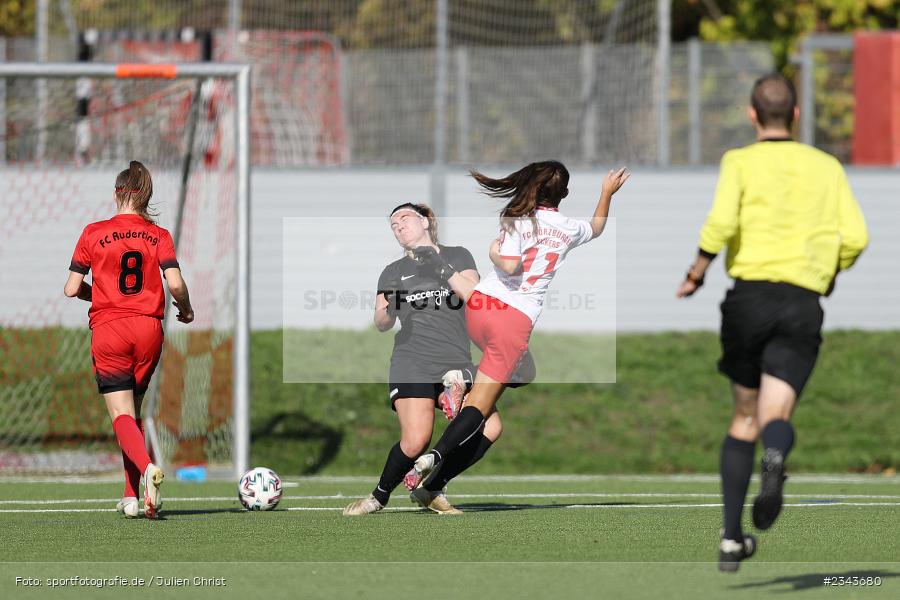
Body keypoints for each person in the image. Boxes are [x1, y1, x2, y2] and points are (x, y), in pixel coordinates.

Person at [675, 74, 868, 572]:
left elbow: (721, 223)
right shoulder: (827, 166)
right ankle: (776, 456)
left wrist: (696, 272)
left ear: (752, 114)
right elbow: (856, 237)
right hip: (801, 300)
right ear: (797, 115)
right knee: (776, 415)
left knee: (743, 418)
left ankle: (732, 539)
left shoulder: (738, 160)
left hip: (749, 299)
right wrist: (825, 274)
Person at [412, 161, 628, 486]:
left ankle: (466, 380)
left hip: (479, 309)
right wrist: (606, 192)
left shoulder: (517, 218)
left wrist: (492, 251)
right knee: (481, 407)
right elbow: (596, 227)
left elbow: (507, 263)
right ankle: (435, 455)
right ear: (564, 194)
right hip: (512, 320)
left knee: (523, 371)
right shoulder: (568, 227)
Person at [342, 203, 504, 516]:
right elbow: (380, 322)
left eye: (404, 218)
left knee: (492, 427)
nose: (398, 225)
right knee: (416, 440)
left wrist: (441, 266)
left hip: (455, 359)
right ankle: (378, 497)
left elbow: (474, 296)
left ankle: (432, 486)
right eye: (392, 223)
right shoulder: (392, 272)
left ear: (426, 222)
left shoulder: (458, 255)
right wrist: (390, 309)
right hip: (412, 360)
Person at [64, 161, 195, 519]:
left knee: (121, 415)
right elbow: (176, 283)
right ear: (147, 196)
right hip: (149, 329)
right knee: (133, 413)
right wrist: (185, 308)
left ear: (116, 193)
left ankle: (149, 469)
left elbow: (71, 288)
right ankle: (132, 496)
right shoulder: (159, 235)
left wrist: (104, 295)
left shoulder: (93, 232)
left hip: (111, 329)